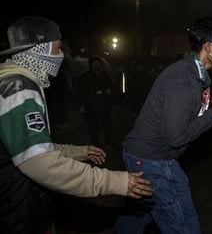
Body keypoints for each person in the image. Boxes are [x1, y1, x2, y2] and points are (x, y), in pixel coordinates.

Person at [0, 16, 153, 234]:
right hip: (13, 210)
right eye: (57, 48)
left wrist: (77, 151)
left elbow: (24, 147)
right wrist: (114, 181)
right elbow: (38, 162)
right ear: (40, 48)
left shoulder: (10, 79)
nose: (61, 55)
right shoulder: (18, 86)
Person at [115, 16, 212, 234]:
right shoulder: (184, 80)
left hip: (152, 156)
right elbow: (176, 137)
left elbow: (185, 118)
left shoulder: (195, 74)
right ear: (209, 46)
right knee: (182, 226)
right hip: (152, 159)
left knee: (140, 215)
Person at [78, 55, 114, 146]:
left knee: (107, 125)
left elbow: (111, 86)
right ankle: (95, 144)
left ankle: (108, 143)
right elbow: (81, 91)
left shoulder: (104, 75)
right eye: (94, 63)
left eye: (98, 63)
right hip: (91, 106)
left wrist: (109, 91)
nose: (96, 65)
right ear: (91, 65)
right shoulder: (85, 76)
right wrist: (82, 105)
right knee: (94, 127)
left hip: (104, 104)